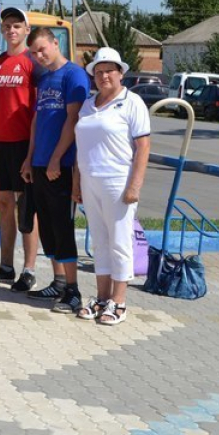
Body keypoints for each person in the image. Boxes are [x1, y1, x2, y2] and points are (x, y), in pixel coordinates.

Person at [70, 48, 151, 326]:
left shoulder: (132, 103)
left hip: (118, 181)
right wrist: (77, 181)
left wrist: (134, 186)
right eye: (99, 72)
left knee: (119, 241)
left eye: (109, 71)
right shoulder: (87, 105)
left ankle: (119, 301)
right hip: (90, 180)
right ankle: (102, 298)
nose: (104, 76)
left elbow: (143, 147)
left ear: (120, 73)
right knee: (100, 242)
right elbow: (81, 146)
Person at [21, 27, 90, 313]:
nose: (39, 56)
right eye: (34, 52)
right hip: (39, 163)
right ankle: (58, 282)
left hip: (60, 166)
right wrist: (30, 158)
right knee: (47, 227)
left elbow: (73, 121)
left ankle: (73, 291)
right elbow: (38, 121)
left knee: (62, 227)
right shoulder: (45, 77)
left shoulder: (74, 75)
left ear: (55, 43)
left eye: (42, 49)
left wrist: (56, 159)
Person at [0, 7, 39, 291]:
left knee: (26, 208)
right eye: (7, 26)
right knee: (4, 205)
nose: (11, 30)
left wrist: (32, 154)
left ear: (27, 30)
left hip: (24, 144)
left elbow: (37, 111)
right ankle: (6, 266)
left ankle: (29, 270)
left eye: (17, 26)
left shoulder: (34, 63)